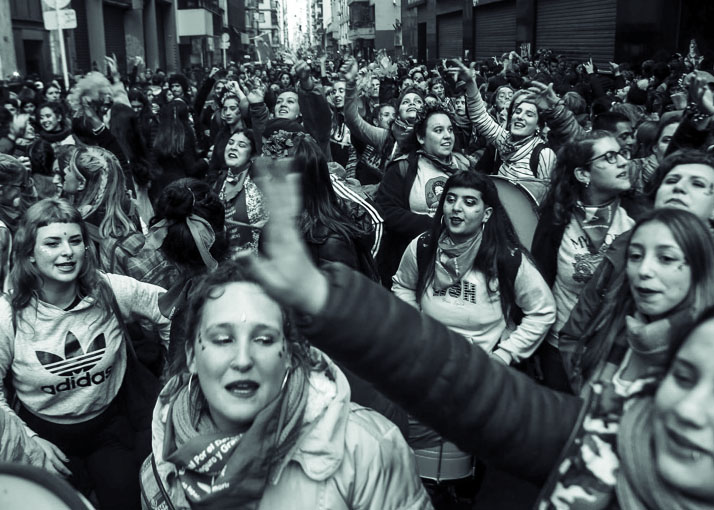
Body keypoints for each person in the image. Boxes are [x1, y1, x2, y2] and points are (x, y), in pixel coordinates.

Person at [230, 167, 714, 509]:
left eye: (670, 259)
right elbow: (470, 386)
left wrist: (504, 352)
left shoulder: (505, 256)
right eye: (686, 373)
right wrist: (330, 297)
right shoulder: (613, 433)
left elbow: (541, 311)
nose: (692, 409)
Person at [138, 261, 432, 510]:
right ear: (191, 356)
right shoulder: (164, 457)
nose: (243, 360)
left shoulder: (367, 449)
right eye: (223, 339)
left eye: (264, 339)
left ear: (291, 355)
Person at [0, 198, 170, 510]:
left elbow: (171, 310)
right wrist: (29, 439)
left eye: (75, 240)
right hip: (44, 436)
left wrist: (175, 376)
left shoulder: (110, 290)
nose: (67, 252)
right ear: (29, 255)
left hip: (109, 430)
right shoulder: (7, 315)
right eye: (52, 243)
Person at [532, 132, 641, 391]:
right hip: (558, 349)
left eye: (623, 154)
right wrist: (534, 348)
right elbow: (538, 283)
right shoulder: (557, 219)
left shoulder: (637, 219)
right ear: (583, 175)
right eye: (610, 157)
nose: (624, 162)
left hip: (613, 352)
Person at [375, 105, 471, 286]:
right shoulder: (402, 168)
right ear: (420, 137)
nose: (447, 136)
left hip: (459, 265)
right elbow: (386, 210)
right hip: (414, 264)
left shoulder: (464, 166)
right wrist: (435, 225)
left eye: (450, 130)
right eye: (438, 130)